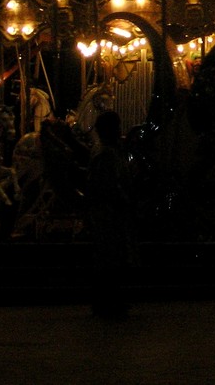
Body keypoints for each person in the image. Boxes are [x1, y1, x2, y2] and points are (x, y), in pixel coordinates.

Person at [84, 109, 138, 318]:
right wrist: (125, 199)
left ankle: (109, 299)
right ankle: (108, 301)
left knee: (109, 257)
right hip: (108, 211)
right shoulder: (107, 153)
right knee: (110, 257)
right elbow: (109, 184)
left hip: (107, 210)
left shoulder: (106, 151)